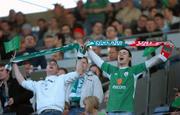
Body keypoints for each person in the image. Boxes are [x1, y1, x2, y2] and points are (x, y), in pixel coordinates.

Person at [87, 42, 174, 115]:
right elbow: (98, 60)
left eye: (124, 53)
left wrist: (166, 51)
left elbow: (153, 61)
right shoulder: (111, 70)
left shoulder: (134, 70)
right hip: (111, 110)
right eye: (120, 53)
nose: (121, 54)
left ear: (130, 58)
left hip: (126, 111)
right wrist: (88, 49)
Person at [12, 59, 84, 115]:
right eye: (49, 63)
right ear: (46, 68)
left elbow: (78, 72)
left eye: (54, 64)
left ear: (58, 71)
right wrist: (14, 64)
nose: (51, 64)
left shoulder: (62, 79)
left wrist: (80, 56)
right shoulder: (38, 84)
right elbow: (22, 82)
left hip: (57, 112)